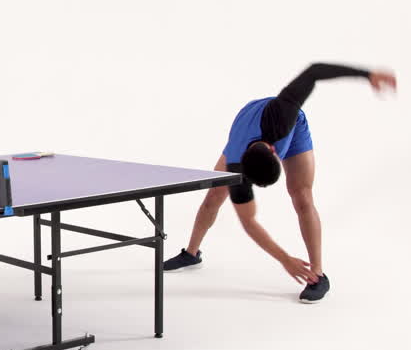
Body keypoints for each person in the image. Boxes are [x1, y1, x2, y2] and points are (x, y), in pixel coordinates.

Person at [163, 63, 397, 303]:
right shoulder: (234, 164)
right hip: (246, 125)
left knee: (302, 196)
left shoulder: (283, 112)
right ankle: (191, 253)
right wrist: (285, 260)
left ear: (275, 152)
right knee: (214, 196)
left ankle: (317, 275)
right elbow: (249, 222)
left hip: (290, 127)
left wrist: (368, 75)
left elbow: (315, 71)